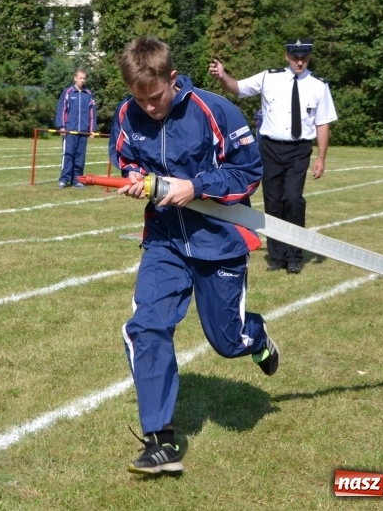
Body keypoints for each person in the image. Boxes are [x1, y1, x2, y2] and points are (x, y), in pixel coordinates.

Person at [109, 36, 279, 476]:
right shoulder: (127, 113)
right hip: (163, 240)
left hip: (217, 240)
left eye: (156, 96)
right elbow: (125, 154)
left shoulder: (214, 110)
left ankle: (255, 337)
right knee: (145, 326)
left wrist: (196, 186)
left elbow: (248, 172)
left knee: (227, 342)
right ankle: (160, 440)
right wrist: (133, 177)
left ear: (172, 78)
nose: (148, 106)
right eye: (139, 98)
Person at [209, 38, 338, 274]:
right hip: (269, 148)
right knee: (274, 200)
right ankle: (277, 256)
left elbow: (323, 123)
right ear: (287, 56)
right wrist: (223, 75)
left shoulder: (319, 85)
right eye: (295, 57)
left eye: (304, 57)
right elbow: (238, 88)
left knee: (293, 199)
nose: (299, 62)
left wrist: (321, 158)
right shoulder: (270, 77)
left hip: (299, 149)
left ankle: (295, 254)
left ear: (309, 57)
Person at [55, 68, 96, 188]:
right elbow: (62, 109)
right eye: (80, 78)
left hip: (83, 132)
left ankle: (77, 180)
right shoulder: (68, 92)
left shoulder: (88, 94)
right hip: (69, 131)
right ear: (75, 78)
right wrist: (62, 126)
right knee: (68, 155)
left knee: (80, 157)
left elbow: (92, 113)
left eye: (84, 78)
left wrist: (92, 129)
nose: (82, 80)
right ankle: (64, 179)